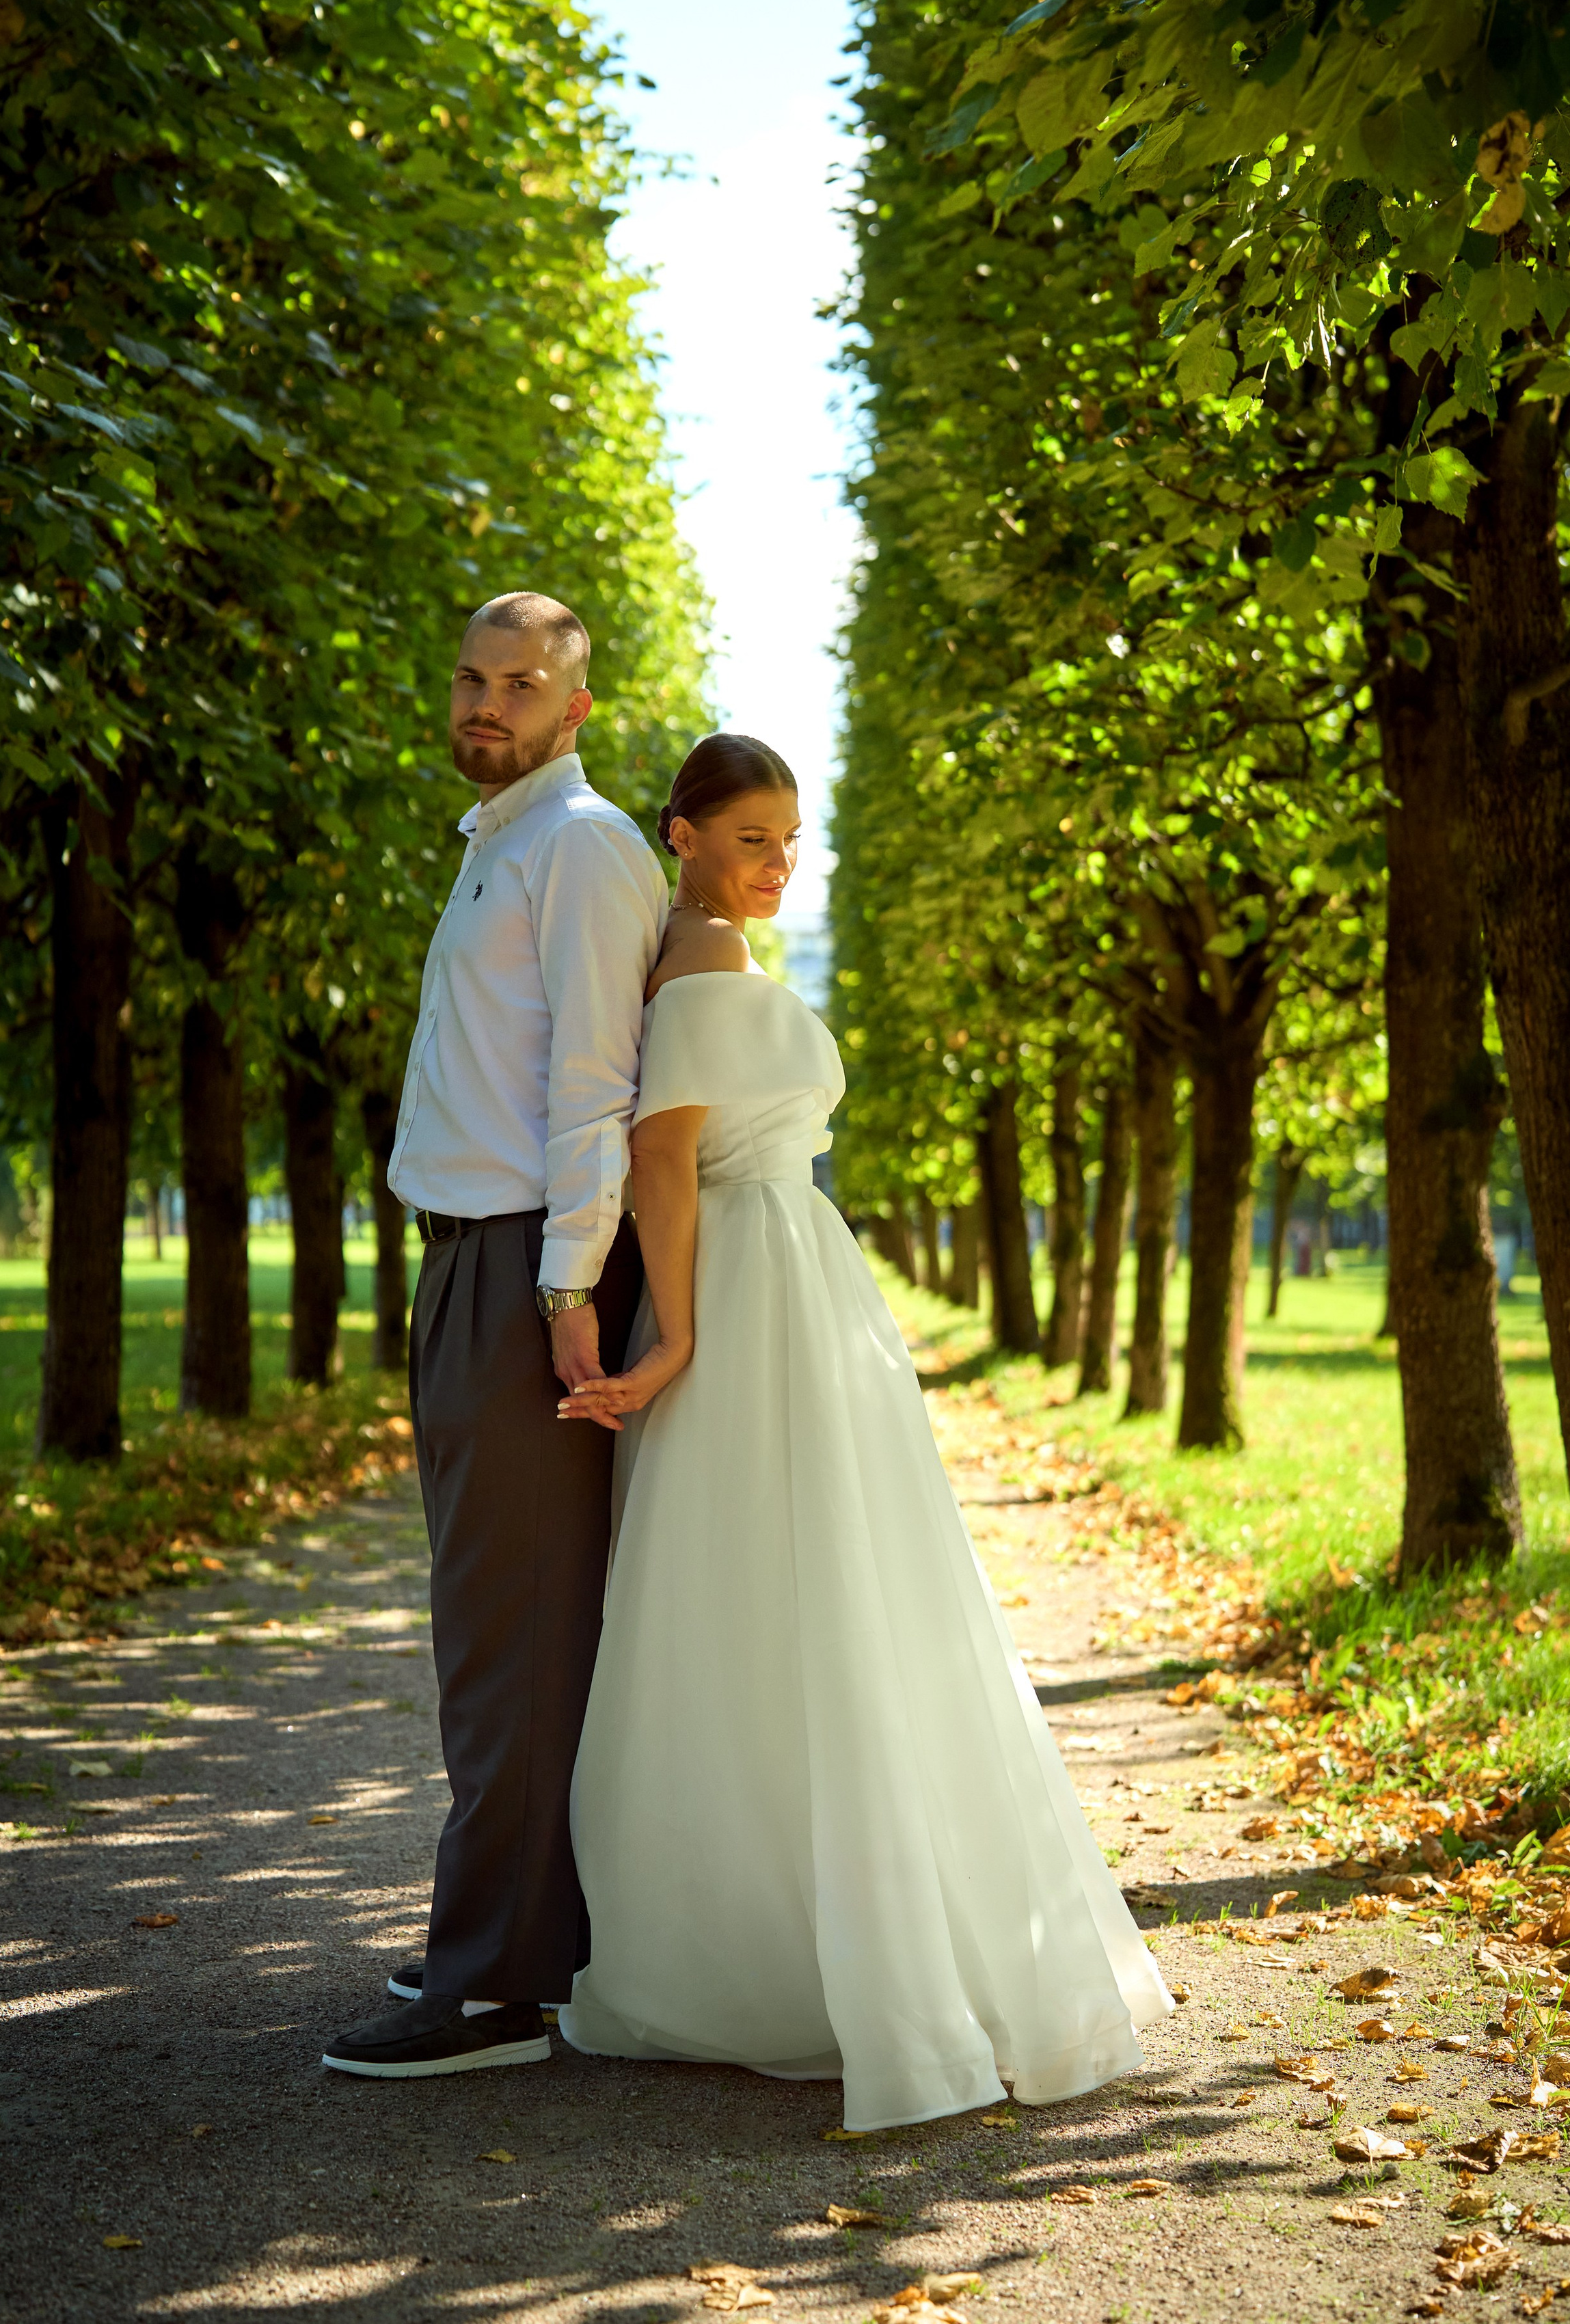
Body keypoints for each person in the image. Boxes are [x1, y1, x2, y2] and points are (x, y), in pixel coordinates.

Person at [554, 732, 1172, 2131]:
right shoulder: (702, 962)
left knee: (819, 1594)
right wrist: (680, 1336)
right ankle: (790, 1939)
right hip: (753, 1290)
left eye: (790, 839)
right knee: (794, 1596)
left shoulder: (722, 956)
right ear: (683, 837)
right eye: (753, 837)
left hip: (793, 1281)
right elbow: (662, 1154)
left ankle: (813, 1927)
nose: (780, 862)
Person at [323, 593, 666, 2080]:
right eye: (471, 676)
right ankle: (516, 1935)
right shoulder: (498, 846)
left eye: (521, 685)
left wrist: (561, 1289)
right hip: (465, 1261)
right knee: (498, 1627)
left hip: (526, 1274)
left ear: (574, 709)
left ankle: (494, 1991)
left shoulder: (581, 847)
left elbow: (592, 1085)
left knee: (512, 1636)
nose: (488, 703)